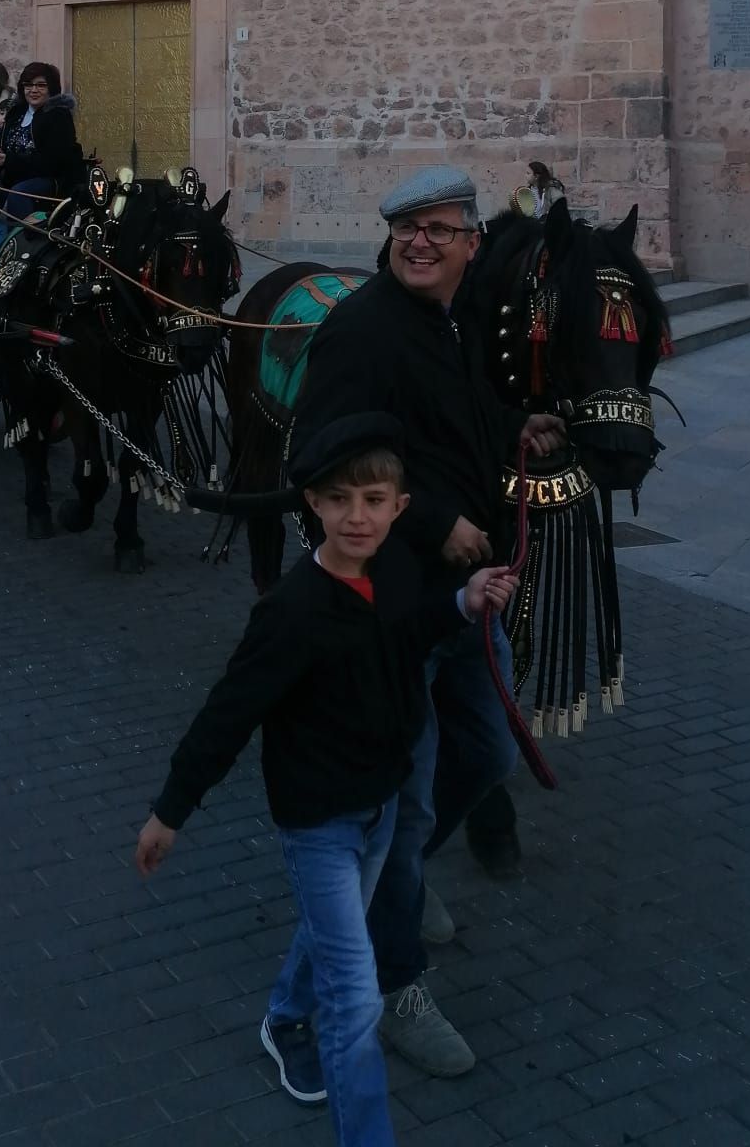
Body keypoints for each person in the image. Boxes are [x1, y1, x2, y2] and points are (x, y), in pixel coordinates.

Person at [136, 413, 518, 1146]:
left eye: (374, 500)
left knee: (332, 928)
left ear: (401, 508)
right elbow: (228, 713)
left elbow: (407, 633)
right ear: (311, 502)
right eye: (339, 499)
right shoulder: (289, 613)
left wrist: (462, 603)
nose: (357, 516)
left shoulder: (397, 569)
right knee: (354, 1005)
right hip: (319, 826)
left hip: (380, 809)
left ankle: (283, 1015)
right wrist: (170, 810)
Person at [288, 167, 565, 1080]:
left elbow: (458, 416)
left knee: (482, 757)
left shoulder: (454, 324)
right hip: (392, 602)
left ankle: (385, 892)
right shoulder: (362, 329)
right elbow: (322, 456)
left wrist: (514, 426)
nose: (420, 242)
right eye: (408, 226)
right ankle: (393, 980)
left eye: (438, 229)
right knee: (399, 805)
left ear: (470, 243)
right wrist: (432, 518)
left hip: (464, 596)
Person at [0, 62, 86, 220]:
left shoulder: (58, 116)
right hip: (11, 177)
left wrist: (8, 161)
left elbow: (52, 163)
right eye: (28, 85)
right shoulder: (15, 113)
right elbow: (2, 147)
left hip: (50, 181)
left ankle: (24, 240)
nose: (34, 90)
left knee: (19, 193)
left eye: (41, 85)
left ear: (51, 88)